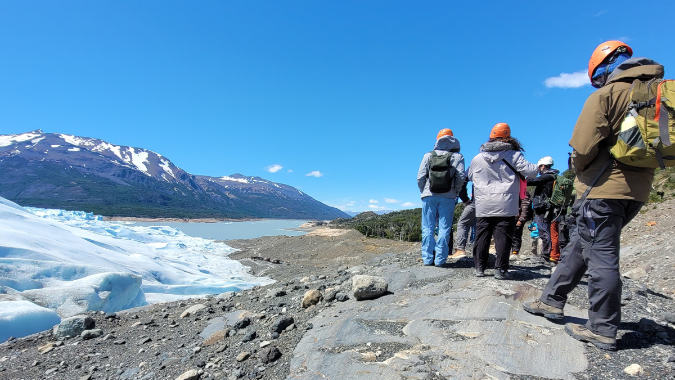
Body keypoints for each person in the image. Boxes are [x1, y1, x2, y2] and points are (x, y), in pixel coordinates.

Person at [523, 41, 662, 351]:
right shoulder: (657, 94)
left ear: (603, 67)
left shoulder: (607, 95)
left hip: (602, 188)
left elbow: (583, 146)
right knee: (581, 245)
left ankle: (602, 328)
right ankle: (551, 300)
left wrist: (579, 168)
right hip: (637, 190)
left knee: (601, 258)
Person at [467, 123, 538, 279]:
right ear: (508, 137)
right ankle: (500, 270)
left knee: (482, 236)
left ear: (491, 138)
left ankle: (479, 268)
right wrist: (538, 166)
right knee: (503, 236)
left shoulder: (477, 158)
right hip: (506, 202)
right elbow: (531, 171)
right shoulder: (514, 155)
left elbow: (470, 176)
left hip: (484, 202)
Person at [417, 128, 466, 267]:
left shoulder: (428, 155)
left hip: (429, 195)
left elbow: (420, 177)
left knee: (427, 227)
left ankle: (427, 259)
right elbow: (461, 177)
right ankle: (440, 259)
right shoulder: (458, 157)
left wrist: (424, 191)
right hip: (448, 196)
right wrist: (455, 191)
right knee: (445, 227)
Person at [527, 156, 559, 265]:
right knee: (545, 231)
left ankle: (545, 256)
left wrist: (523, 177)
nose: (538, 169)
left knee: (544, 231)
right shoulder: (552, 176)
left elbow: (531, 182)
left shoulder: (547, 177)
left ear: (543, 166)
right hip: (545, 208)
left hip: (543, 209)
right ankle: (547, 255)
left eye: (539, 167)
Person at [452, 179, 475, 258]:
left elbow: (462, 180)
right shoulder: (503, 167)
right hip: (500, 201)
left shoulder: (475, 166)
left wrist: (465, 198)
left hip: (478, 201)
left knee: (463, 223)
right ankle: (493, 248)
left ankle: (460, 250)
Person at [511, 190, 532, 256]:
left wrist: (521, 219)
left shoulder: (523, 192)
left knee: (516, 236)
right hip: (509, 217)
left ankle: (514, 253)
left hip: (517, 218)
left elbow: (525, 207)